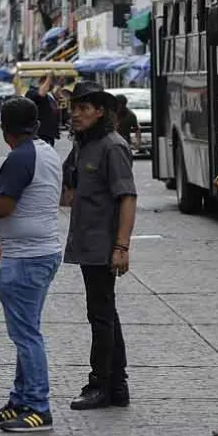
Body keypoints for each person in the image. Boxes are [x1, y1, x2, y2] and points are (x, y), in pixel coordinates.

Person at [0, 97, 64, 433]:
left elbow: (2, 207)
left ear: (5, 130)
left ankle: (38, 407)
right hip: (41, 252)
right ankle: (20, 400)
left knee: (26, 336)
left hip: (26, 257)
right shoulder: (45, 151)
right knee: (27, 332)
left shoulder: (21, 158)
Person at [62, 81, 138, 410]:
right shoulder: (82, 144)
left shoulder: (112, 146)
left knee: (101, 315)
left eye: (83, 108)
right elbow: (68, 190)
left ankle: (101, 385)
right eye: (73, 108)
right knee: (105, 313)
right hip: (86, 243)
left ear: (100, 111)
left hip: (104, 245)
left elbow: (128, 198)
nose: (76, 114)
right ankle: (117, 386)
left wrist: (121, 246)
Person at [28, 75, 61, 146]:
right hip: (40, 133)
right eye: (49, 82)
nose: (50, 84)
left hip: (49, 133)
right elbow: (41, 94)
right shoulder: (32, 92)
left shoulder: (50, 94)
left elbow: (58, 94)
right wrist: (49, 77)